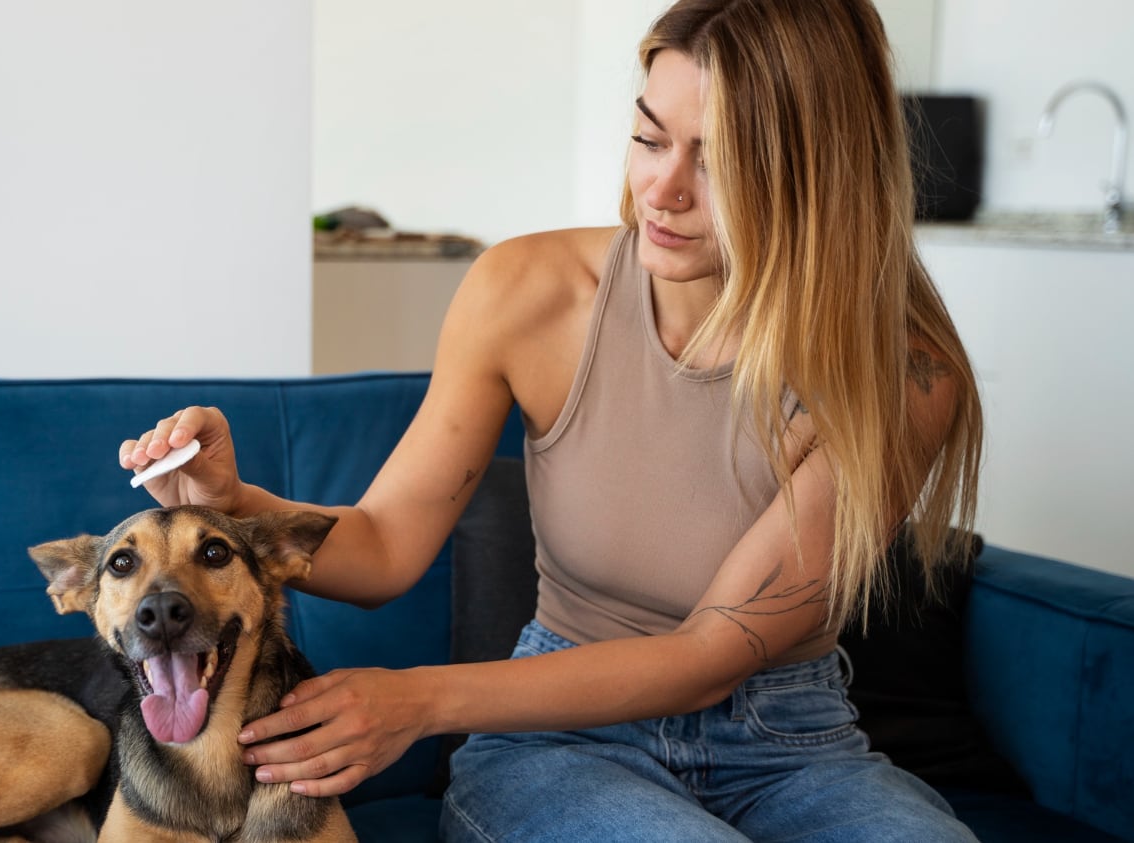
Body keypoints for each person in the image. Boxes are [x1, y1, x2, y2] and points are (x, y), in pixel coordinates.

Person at [119, 0, 984, 839]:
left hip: (794, 742)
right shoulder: (527, 291)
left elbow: (708, 655)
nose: (663, 187)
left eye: (722, 161)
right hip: (562, 742)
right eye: (649, 137)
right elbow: (383, 546)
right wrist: (231, 500)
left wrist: (417, 699)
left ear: (822, 176)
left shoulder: (901, 373)